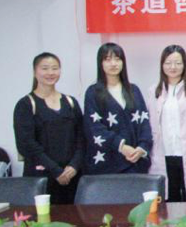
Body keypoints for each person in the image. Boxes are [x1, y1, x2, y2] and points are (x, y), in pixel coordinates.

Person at [13, 52, 84, 204]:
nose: (50, 73)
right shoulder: (25, 105)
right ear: (35, 72)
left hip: (72, 177)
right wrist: (56, 170)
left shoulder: (71, 102)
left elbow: (82, 139)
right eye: (45, 68)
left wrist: (74, 166)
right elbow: (26, 145)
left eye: (55, 68)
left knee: (75, 217)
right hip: (41, 179)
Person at [147, 45, 186, 201]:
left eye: (178, 63)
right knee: (168, 197)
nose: (173, 67)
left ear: (185, 65)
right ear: (162, 65)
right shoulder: (154, 91)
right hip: (164, 153)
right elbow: (151, 125)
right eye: (168, 63)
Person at [83, 43, 152, 174]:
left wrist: (142, 148)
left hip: (134, 161)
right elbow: (93, 127)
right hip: (107, 164)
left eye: (117, 59)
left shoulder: (134, 90)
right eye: (108, 59)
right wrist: (121, 146)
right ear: (100, 63)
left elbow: (144, 123)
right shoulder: (93, 92)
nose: (113, 64)